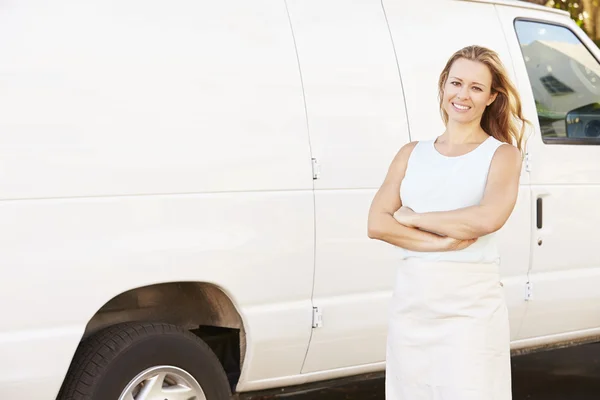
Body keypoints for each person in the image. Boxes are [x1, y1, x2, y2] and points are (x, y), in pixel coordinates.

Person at [367, 45, 530, 399]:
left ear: (491, 97)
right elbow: (377, 224)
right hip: (412, 304)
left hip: (470, 310)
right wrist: (440, 241)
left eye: (476, 87)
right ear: (443, 86)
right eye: (456, 83)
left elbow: (488, 218)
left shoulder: (502, 154)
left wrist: (414, 219)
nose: (463, 95)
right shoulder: (411, 153)